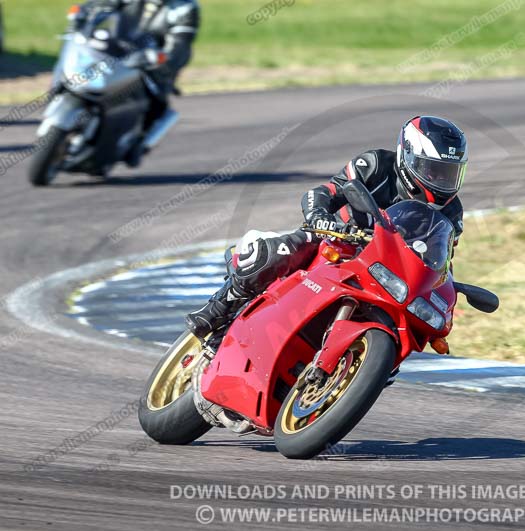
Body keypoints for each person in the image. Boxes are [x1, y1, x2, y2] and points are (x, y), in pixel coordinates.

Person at [186, 115, 469, 339]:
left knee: (406, 324)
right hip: (336, 239)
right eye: (433, 170)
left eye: (449, 174)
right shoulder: (375, 164)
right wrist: (320, 217)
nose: (440, 181)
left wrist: (445, 286)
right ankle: (218, 308)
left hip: (387, 268)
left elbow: (442, 260)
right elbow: (323, 192)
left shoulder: (452, 211)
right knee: (282, 250)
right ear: (407, 157)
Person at [66, 0, 200, 166]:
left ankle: (137, 142)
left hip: (152, 64)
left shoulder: (184, 8)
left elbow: (181, 44)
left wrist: (162, 59)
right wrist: (81, 14)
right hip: (116, 51)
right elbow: (99, 5)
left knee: (156, 102)